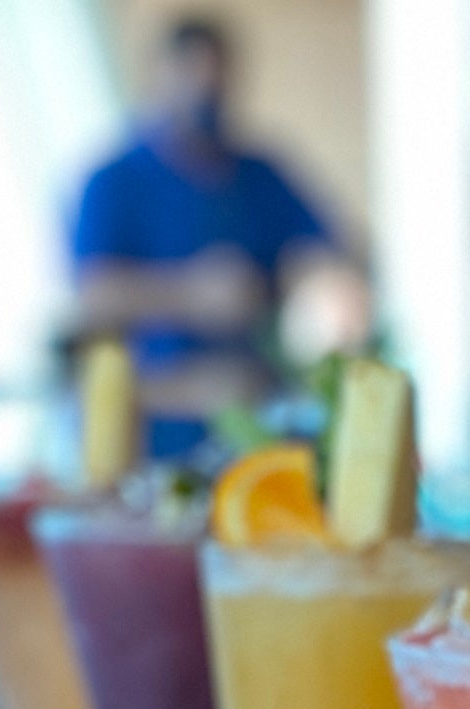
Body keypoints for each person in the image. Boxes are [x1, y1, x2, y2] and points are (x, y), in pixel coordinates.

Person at [70, 16, 357, 458]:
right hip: (151, 430)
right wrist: (192, 294)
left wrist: (314, 297)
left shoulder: (262, 173)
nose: (204, 92)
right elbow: (93, 294)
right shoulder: (112, 181)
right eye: (190, 75)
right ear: (158, 78)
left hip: (258, 421)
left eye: (216, 79)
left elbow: (334, 258)